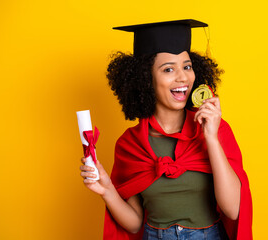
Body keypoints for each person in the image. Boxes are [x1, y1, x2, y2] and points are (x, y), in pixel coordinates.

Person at [80, 19, 252, 240]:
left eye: (187, 66)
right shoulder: (130, 143)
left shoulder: (216, 130)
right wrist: (106, 190)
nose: (183, 77)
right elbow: (134, 224)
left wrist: (210, 137)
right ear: (145, 79)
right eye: (168, 69)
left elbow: (233, 209)